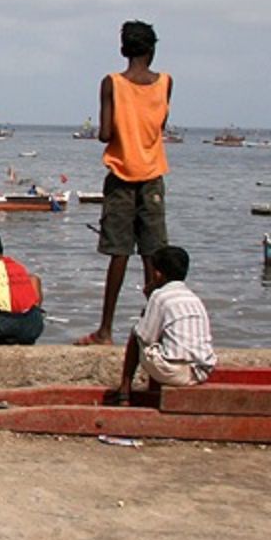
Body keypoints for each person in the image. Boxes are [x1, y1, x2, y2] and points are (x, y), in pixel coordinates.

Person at [79, 20, 172, 345]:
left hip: (120, 177)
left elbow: (105, 133)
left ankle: (106, 330)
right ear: (152, 50)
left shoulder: (112, 83)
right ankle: (153, 330)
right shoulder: (165, 83)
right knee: (152, 255)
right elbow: (159, 124)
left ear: (123, 50)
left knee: (119, 254)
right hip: (152, 176)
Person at [117, 244, 214, 403]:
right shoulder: (194, 298)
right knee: (161, 335)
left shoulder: (159, 296)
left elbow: (146, 336)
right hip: (201, 372)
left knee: (137, 333)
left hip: (175, 373)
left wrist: (148, 304)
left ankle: (124, 391)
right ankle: (153, 392)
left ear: (158, 274)